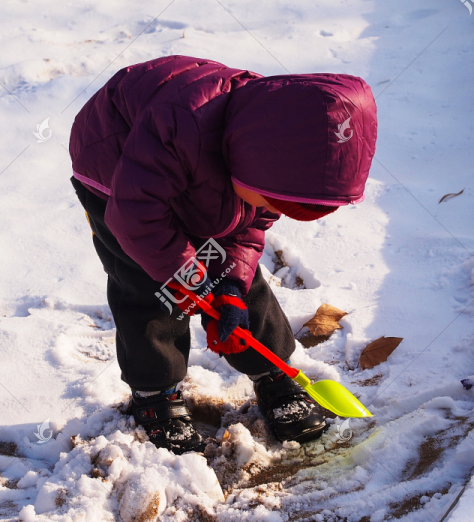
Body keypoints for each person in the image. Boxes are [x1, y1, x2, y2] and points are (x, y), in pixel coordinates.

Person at [69, 55, 377, 454]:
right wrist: (188, 281)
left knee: (239, 276)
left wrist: (228, 288)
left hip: (199, 170)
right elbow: (136, 218)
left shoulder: (276, 150)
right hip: (116, 176)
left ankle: (274, 372)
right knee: (151, 286)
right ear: (253, 169)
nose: (272, 209)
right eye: (273, 201)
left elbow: (248, 230)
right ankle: (154, 394)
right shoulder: (182, 125)